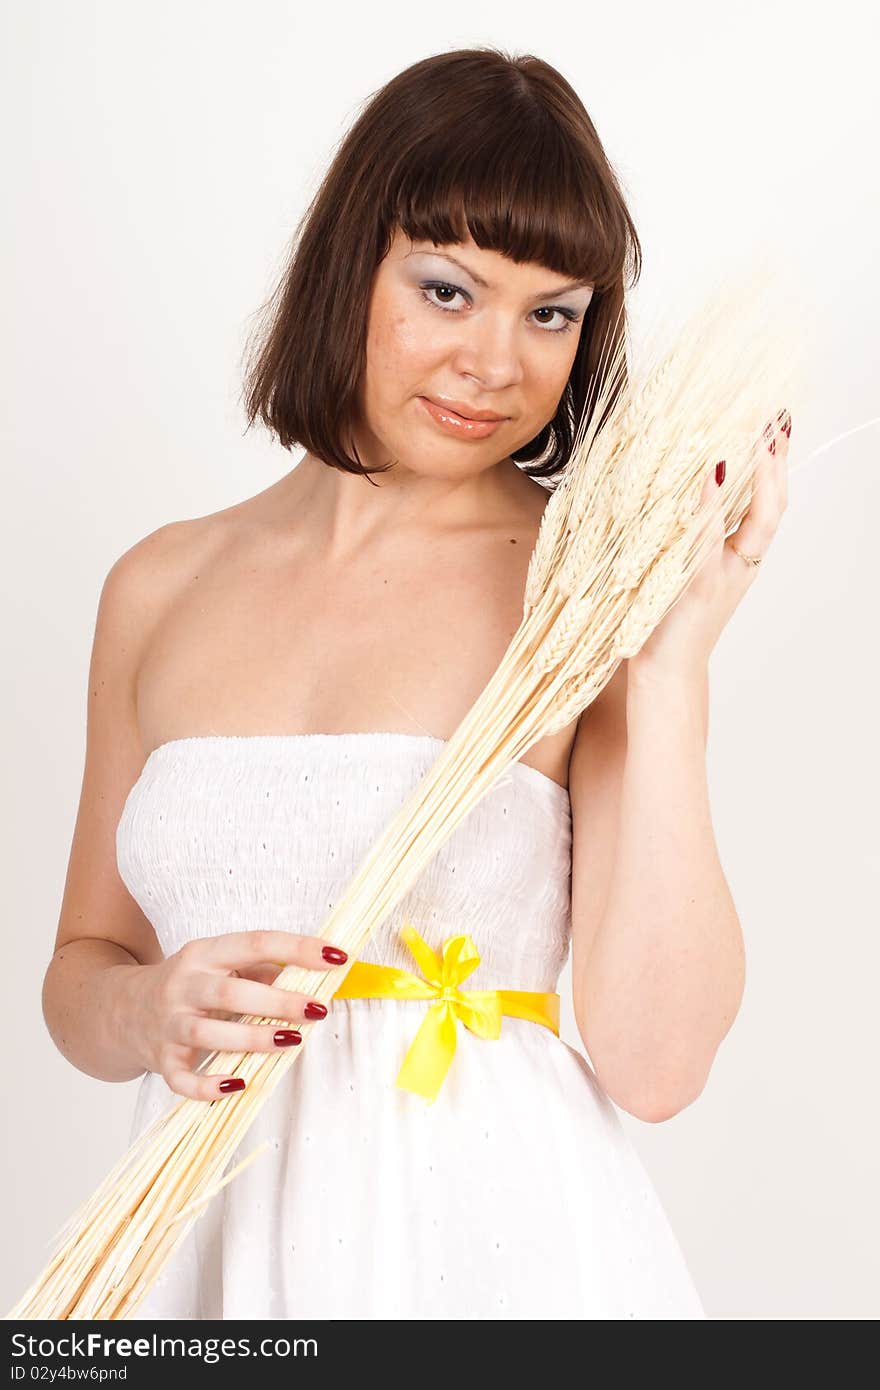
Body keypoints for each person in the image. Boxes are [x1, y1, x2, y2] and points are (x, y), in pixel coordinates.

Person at [41, 46, 789, 1320]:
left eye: (551, 312)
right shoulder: (155, 587)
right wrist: (147, 1008)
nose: (496, 363)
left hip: (497, 1251)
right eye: (449, 290)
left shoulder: (585, 586)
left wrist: (666, 669)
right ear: (351, 269)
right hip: (199, 1246)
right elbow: (82, 968)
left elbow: (658, 1065)